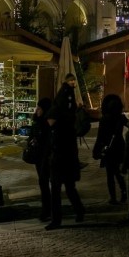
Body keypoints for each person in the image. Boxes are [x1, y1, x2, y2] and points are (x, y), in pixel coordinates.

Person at [45, 74, 86, 230]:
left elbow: (55, 142)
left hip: (60, 159)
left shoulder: (59, 127)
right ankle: (79, 210)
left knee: (56, 189)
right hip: (67, 158)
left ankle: (57, 219)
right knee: (69, 188)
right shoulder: (68, 121)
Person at [93, 94, 127, 206]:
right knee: (117, 172)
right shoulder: (121, 117)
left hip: (108, 148)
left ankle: (113, 197)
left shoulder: (105, 119)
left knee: (110, 174)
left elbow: (100, 136)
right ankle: (124, 191)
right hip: (119, 146)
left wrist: (97, 150)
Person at [30, 97, 53, 221]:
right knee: (43, 182)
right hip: (39, 156)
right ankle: (47, 209)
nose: (37, 110)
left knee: (45, 182)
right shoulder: (37, 121)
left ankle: (47, 210)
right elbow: (32, 135)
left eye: (39, 108)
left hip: (47, 156)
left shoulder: (48, 123)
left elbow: (49, 140)